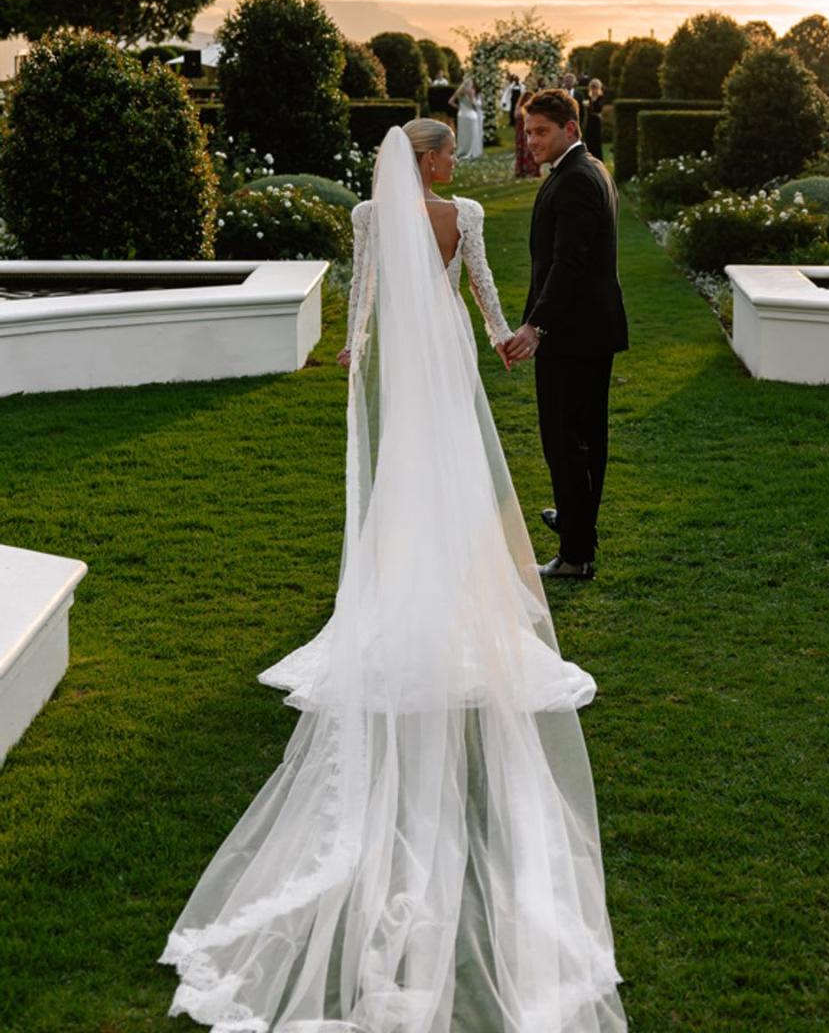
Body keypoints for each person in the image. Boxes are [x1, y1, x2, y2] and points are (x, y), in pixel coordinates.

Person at [157, 119, 628, 1033]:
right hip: (437, 352)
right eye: (445, 150)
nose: (454, 162)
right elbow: (428, 289)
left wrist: (433, 337)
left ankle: (436, 593)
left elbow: (437, 287)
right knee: (432, 475)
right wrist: (423, 337)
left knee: (433, 477)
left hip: (436, 356)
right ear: (431, 159)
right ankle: (430, 590)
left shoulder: (426, 212)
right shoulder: (429, 212)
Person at [505, 90, 629, 580]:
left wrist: (538, 324)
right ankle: (577, 520)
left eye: (540, 131)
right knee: (583, 437)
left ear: (571, 129)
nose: (530, 140)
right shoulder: (587, 168)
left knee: (567, 440)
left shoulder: (577, 179)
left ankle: (576, 554)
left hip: (574, 335)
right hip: (588, 331)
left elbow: (568, 264)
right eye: (528, 131)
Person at [513, 77, 543, 177]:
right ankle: (522, 170)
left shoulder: (536, 109)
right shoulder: (520, 109)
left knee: (533, 151)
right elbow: (517, 116)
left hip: (532, 133)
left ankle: (533, 170)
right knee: (522, 151)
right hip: (522, 134)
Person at [448, 74, 483, 159]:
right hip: (471, 115)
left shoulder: (459, 91)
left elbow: (450, 102)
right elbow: (475, 105)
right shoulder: (471, 92)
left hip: (461, 115)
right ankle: (471, 152)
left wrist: (459, 108)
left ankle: (462, 150)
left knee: (462, 135)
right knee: (471, 135)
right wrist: (472, 98)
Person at [582, 77, 606, 160]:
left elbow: (599, 108)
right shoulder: (588, 97)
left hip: (596, 120)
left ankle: (598, 158)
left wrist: (593, 102)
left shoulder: (600, 98)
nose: (593, 89)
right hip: (589, 120)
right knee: (589, 140)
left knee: (596, 141)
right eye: (592, 87)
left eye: (595, 87)